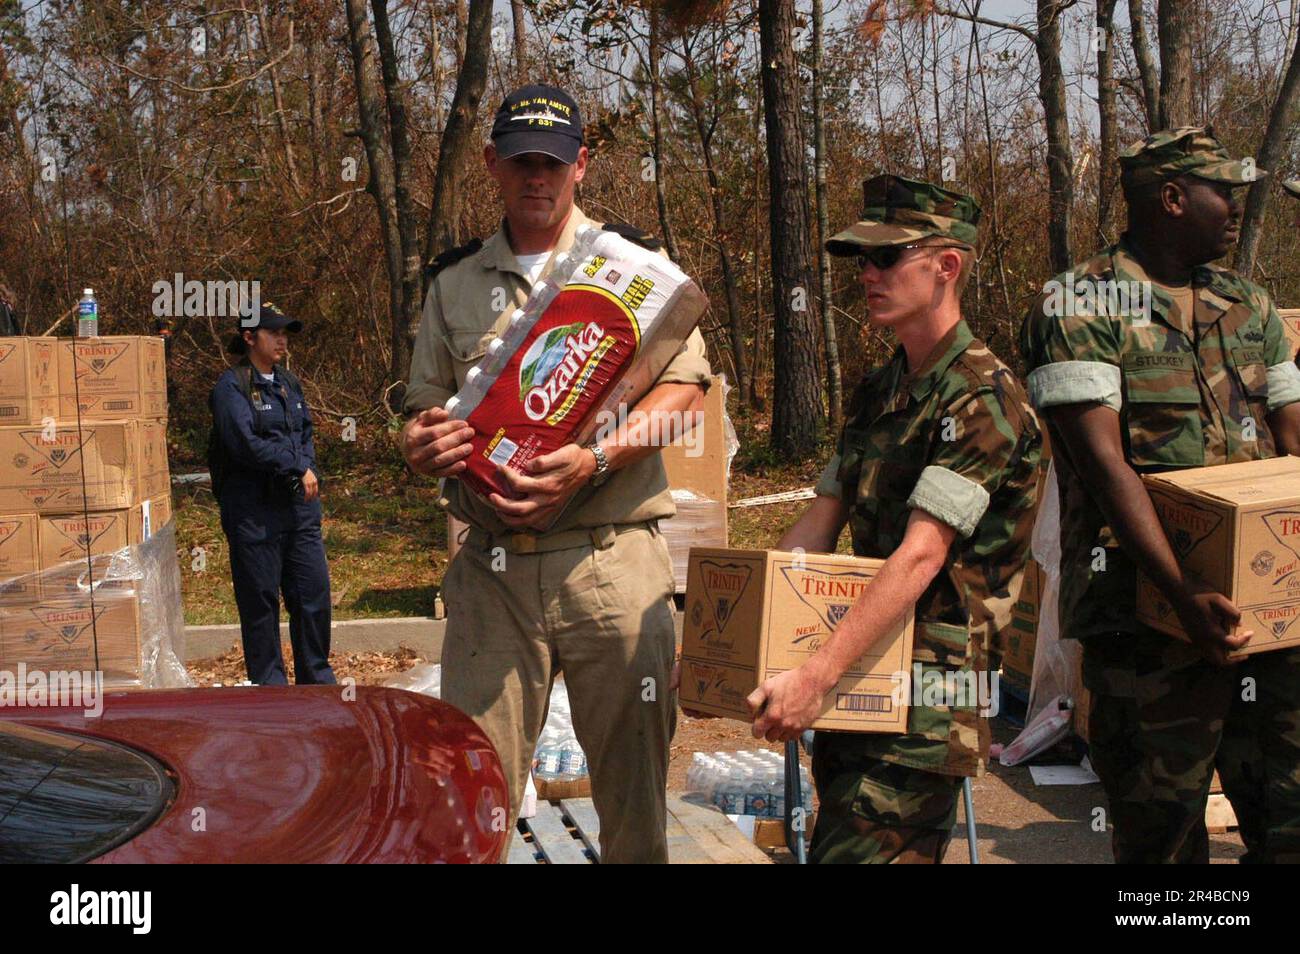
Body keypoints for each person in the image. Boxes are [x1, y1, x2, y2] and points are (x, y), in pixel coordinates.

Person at [401, 84, 711, 863]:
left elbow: (685, 401)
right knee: (471, 791)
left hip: (610, 561)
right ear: (492, 167)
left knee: (634, 795)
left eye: (551, 161)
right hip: (494, 576)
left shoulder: (634, 269)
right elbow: (424, 408)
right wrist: (421, 442)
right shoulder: (455, 283)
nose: (535, 176)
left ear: (582, 165)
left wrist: (596, 458)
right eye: (519, 162)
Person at [1019, 127, 1300, 863]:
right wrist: (1182, 594)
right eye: (1224, 191)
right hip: (1148, 625)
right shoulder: (1078, 306)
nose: (1238, 206)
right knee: (1164, 841)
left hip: (1267, 620)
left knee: (1288, 820)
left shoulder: (1250, 307)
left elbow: (1294, 445)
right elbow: (1104, 467)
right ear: (1173, 198)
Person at [748, 174, 1041, 863]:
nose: (868, 275)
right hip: (858, 680)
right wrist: (732, 638)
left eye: (887, 259)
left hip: (924, 705)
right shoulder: (882, 388)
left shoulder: (982, 401)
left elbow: (921, 556)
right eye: (861, 261)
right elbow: (818, 528)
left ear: (947, 268)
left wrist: (812, 678)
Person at [209, 302, 335, 686]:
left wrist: (305, 466)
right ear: (249, 338)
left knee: (312, 597)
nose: (282, 340)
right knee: (261, 606)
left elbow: (306, 435)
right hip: (254, 515)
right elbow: (242, 444)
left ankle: (317, 682)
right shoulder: (232, 387)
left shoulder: (289, 384)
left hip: (298, 512)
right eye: (273, 332)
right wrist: (294, 465)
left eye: (285, 333)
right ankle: (270, 691)